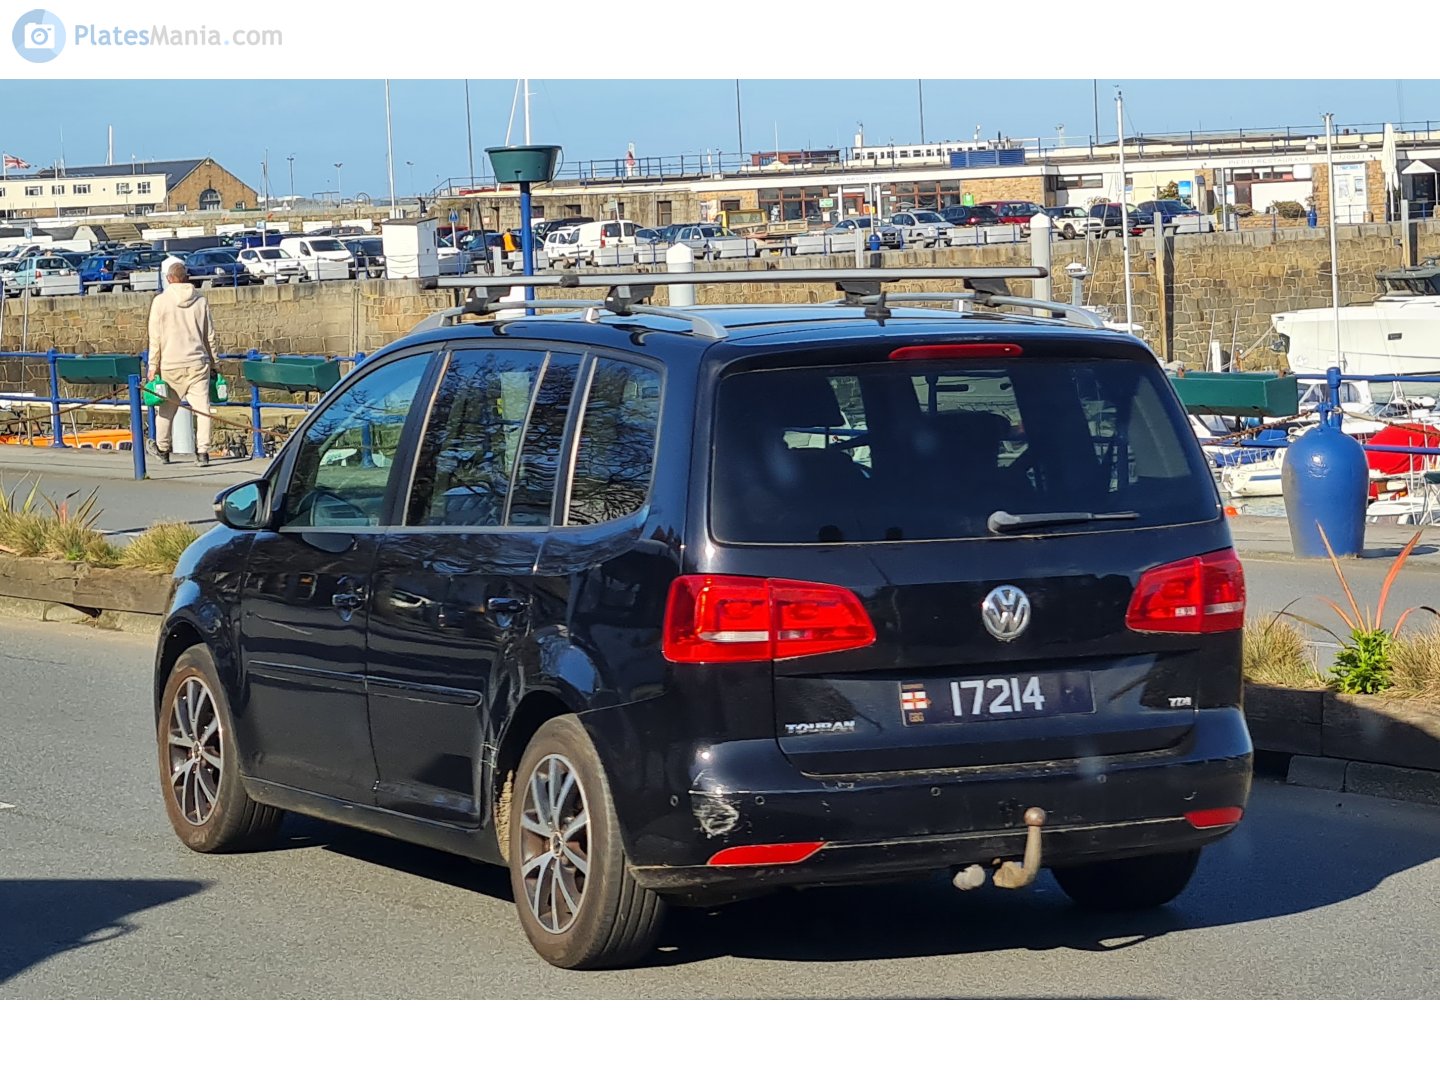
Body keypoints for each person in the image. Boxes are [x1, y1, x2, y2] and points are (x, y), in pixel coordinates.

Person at [147, 261, 219, 466]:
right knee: (203, 409)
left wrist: (153, 366)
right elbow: (210, 337)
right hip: (198, 362)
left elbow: (155, 338)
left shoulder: (160, 302)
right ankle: (203, 453)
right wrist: (216, 364)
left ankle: (162, 449)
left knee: (166, 410)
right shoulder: (201, 301)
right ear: (186, 277)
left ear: (169, 278)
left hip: (170, 364)